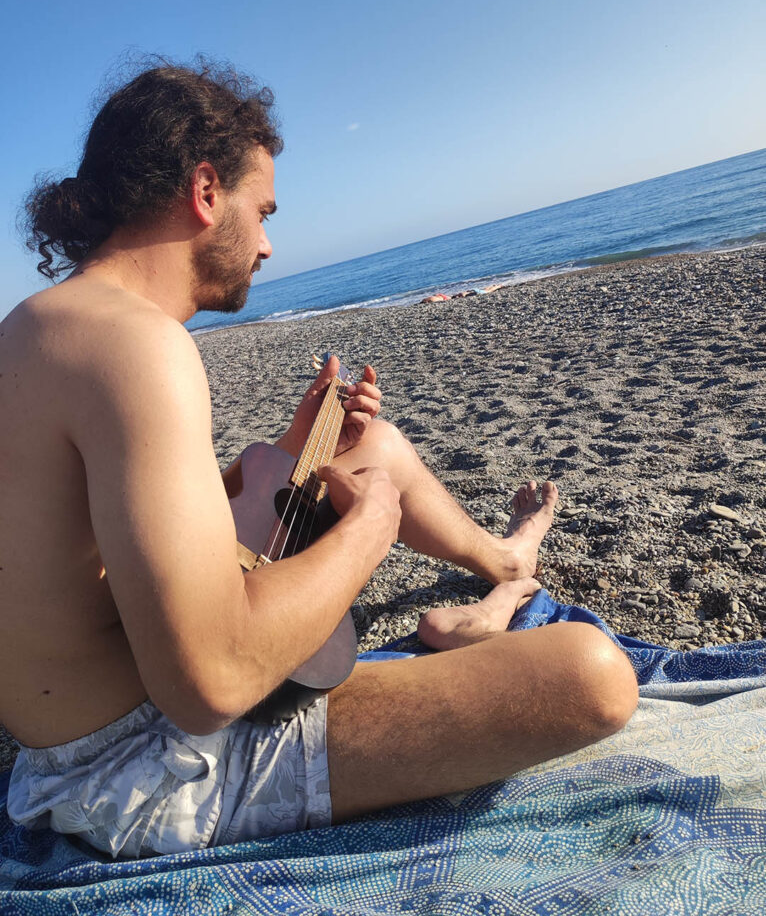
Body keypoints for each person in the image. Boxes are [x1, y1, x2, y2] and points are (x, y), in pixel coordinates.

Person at [0, 60, 638, 858]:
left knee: (369, 444)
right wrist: (374, 527)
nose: (267, 244)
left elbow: (91, 540)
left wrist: (295, 450)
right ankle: (492, 597)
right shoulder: (137, 345)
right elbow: (212, 683)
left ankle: (505, 564)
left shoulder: (36, 327)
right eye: (261, 211)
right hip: (144, 773)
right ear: (205, 192)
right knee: (593, 674)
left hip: (69, 738)